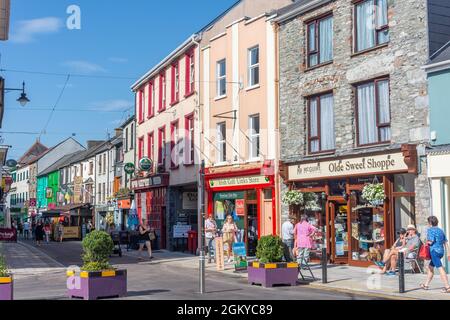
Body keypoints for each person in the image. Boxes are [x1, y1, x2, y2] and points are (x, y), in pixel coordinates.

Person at [420, 216, 450, 293]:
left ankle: (447, 287)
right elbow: (446, 242)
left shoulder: (430, 230)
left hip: (434, 252)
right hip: (441, 252)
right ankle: (426, 285)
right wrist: (448, 253)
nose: (427, 224)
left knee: (440, 268)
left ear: (430, 223)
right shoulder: (441, 231)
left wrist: (425, 242)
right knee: (430, 267)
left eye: (428, 222)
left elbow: (430, 241)